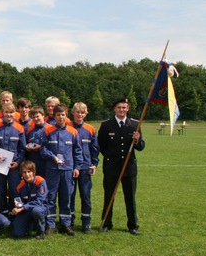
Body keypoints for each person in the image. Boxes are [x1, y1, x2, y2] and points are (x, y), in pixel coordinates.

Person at [98, 97, 145, 236]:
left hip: (129, 168)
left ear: (128, 109)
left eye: (124, 107)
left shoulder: (135, 124)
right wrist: (112, 157)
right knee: (109, 196)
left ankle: (133, 225)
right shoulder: (106, 125)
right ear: (115, 109)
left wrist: (137, 140)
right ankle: (106, 223)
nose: (122, 110)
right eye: (119, 107)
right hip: (112, 167)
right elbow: (101, 146)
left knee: (130, 198)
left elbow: (141, 146)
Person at [40, 104, 83, 236]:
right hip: (52, 170)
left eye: (63, 114)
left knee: (66, 198)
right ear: (54, 115)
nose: (60, 117)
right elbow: (43, 149)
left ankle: (66, 224)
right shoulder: (47, 131)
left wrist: (77, 167)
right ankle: (50, 224)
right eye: (58, 115)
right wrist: (52, 157)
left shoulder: (73, 132)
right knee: (51, 197)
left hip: (67, 170)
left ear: (66, 116)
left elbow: (77, 151)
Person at [0, 102, 26, 211]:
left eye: (11, 112)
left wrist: (18, 162)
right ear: (2, 113)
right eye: (6, 112)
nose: (8, 115)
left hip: (13, 166)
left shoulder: (19, 128)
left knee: (15, 189)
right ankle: (2, 210)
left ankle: (13, 211)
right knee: (0, 189)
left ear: (15, 113)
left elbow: (22, 149)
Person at [70, 102, 100, 233]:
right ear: (73, 113)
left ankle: (86, 222)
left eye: (82, 112)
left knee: (85, 196)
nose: (80, 115)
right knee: (70, 196)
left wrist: (95, 164)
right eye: (77, 112)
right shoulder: (67, 127)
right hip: (70, 167)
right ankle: (69, 221)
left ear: (86, 114)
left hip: (86, 167)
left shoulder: (90, 129)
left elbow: (95, 149)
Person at [11, 160, 48, 239]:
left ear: (34, 172)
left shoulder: (40, 181)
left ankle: (40, 232)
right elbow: (18, 201)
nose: (27, 175)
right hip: (26, 211)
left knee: (36, 211)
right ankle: (30, 226)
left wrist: (23, 207)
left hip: (40, 207)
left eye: (29, 172)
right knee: (17, 234)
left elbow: (40, 201)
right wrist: (17, 206)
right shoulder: (20, 186)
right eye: (24, 172)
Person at [25, 106, 51, 178]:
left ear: (43, 115)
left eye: (37, 116)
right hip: (33, 161)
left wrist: (40, 148)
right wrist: (27, 147)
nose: (36, 119)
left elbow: (53, 146)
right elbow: (25, 144)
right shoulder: (29, 130)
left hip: (46, 162)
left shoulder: (50, 129)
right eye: (33, 117)